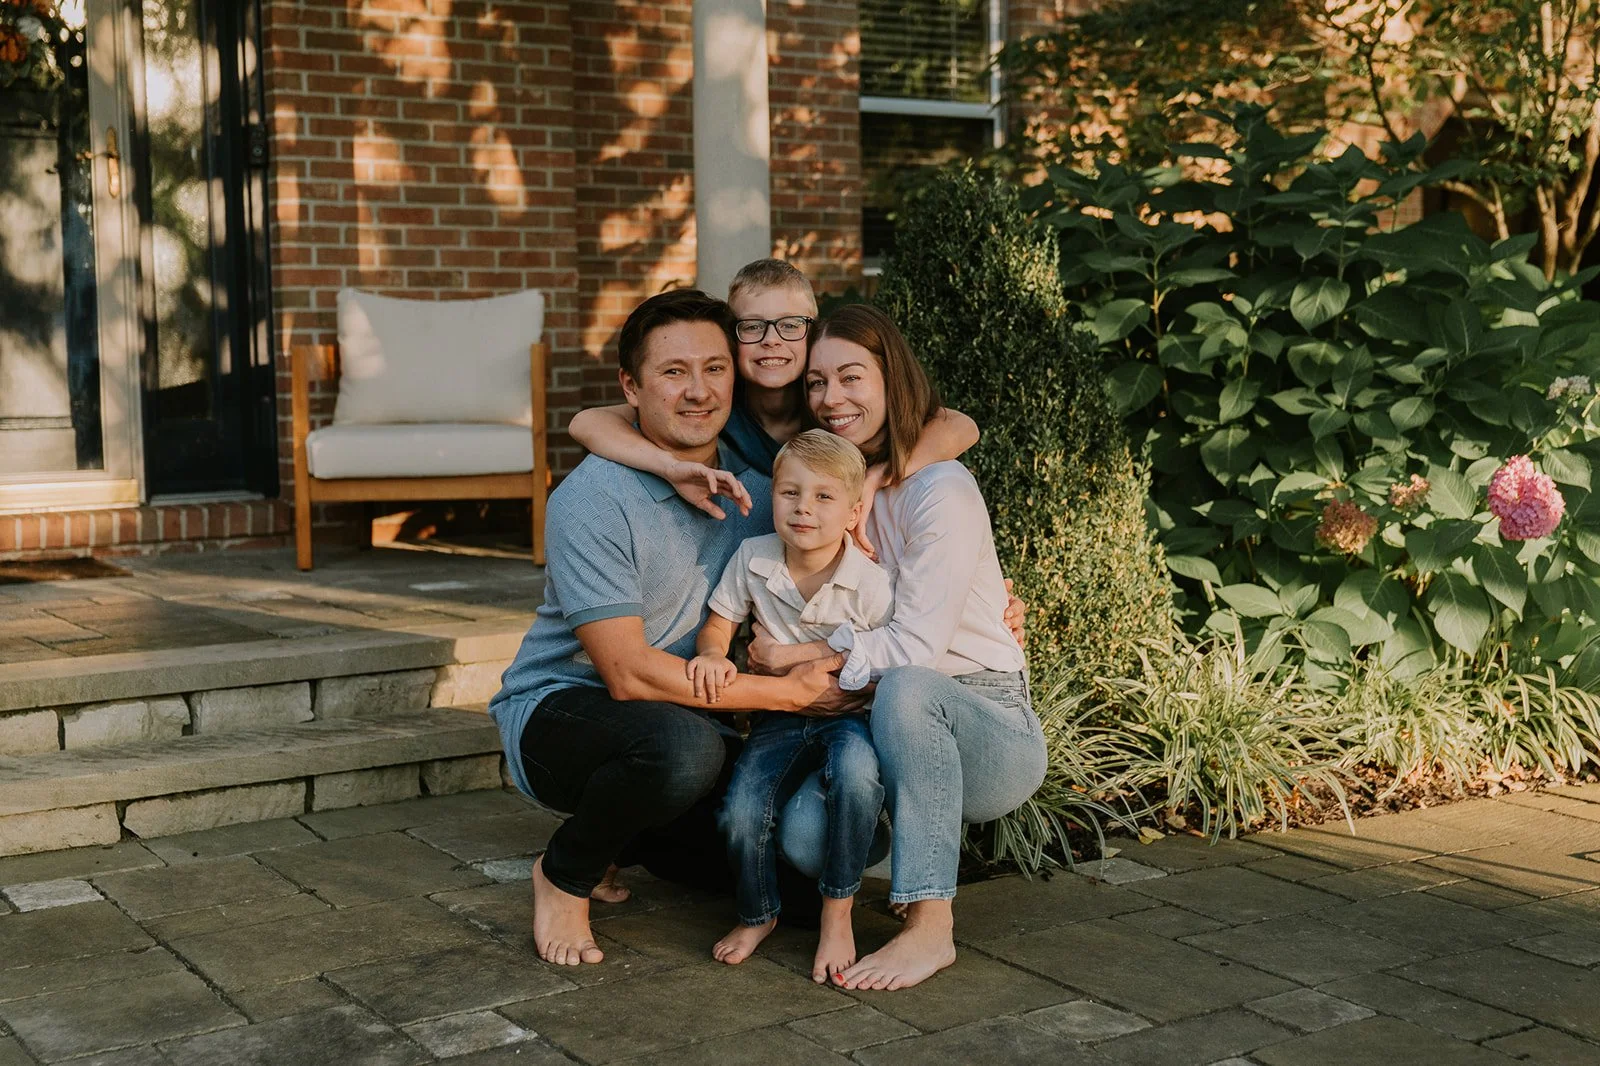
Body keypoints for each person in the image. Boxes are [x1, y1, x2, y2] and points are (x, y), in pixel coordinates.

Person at [486, 289, 862, 968]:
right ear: (630, 386)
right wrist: (787, 694)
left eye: (715, 369)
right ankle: (564, 874)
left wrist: (986, 604)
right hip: (563, 710)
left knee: (793, 891)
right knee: (681, 751)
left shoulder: (760, 497)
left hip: (692, 719)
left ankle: (624, 839)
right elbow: (627, 675)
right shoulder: (592, 499)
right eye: (673, 372)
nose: (698, 391)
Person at [755, 304, 1049, 991]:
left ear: (892, 379)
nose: (831, 398)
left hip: (986, 725)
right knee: (806, 836)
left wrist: (798, 659)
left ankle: (929, 925)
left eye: (851, 377)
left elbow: (916, 646)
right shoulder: (835, 492)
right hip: (875, 713)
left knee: (911, 685)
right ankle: (909, 848)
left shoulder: (941, 488)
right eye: (817, 383)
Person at [568, 259, 980, 551]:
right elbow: (587, 423)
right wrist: (669, 467)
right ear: (732, 337)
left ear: (812, 332)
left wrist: (879, 476)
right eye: (752, 326)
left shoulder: (829, 406)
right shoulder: (715, 408)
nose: (771, 340)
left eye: (790, 325)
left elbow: (960, 426)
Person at [689, 430, 893, 983]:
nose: (804, 507)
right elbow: (719, 624)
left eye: (824, 497)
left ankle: (837, 912)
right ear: (773, 496)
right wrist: (712, 654)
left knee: (857, 778)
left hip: (850, 716)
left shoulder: (870, 584)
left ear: (854, 513)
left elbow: (890, 659)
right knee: (740, 809)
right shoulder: (754, 557)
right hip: (777, 717)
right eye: (790, 493)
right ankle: (758, 913)